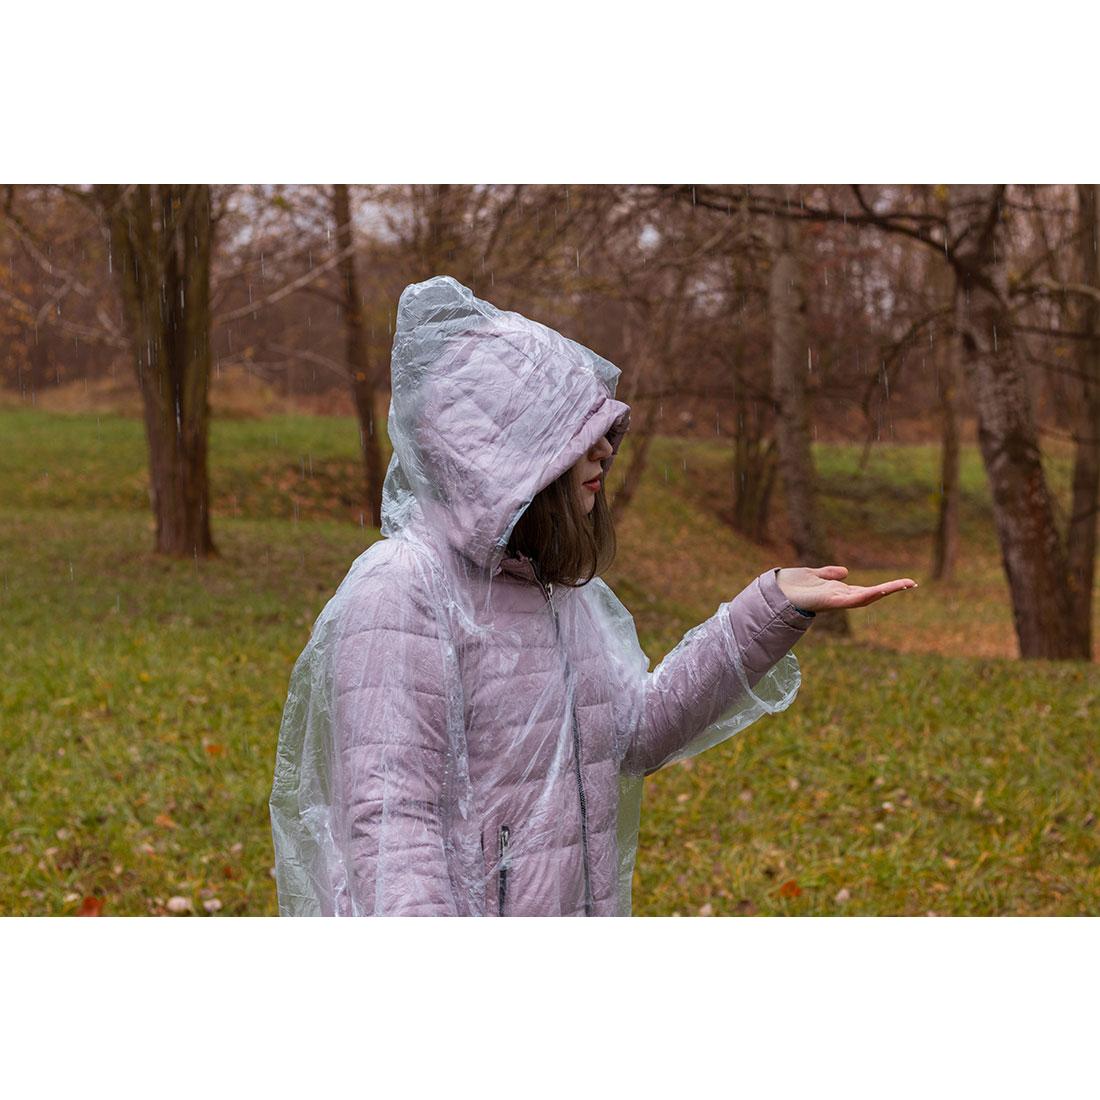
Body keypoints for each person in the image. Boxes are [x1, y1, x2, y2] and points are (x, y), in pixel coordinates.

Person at [268, 274, 917, 917]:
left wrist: (771, 604)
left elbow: (633, 732)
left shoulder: (556, 591)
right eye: (577, 433)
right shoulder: (403, 590)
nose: (606, 449)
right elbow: (392, 834)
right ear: (506, 449)